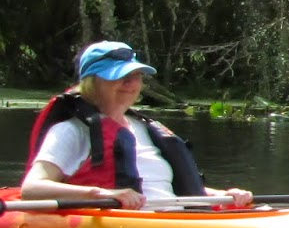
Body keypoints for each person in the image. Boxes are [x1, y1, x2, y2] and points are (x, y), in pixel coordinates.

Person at [20, 40, 252, 210]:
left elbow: (164, 190)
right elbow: (32, 189)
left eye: (136, 76)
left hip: (176, 225)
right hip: (131, 227)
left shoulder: (145, 129)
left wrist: (222, 195)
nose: (130, 84)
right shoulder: (71, 131)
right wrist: (99, 194)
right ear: (92, 83)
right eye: (118, 76)